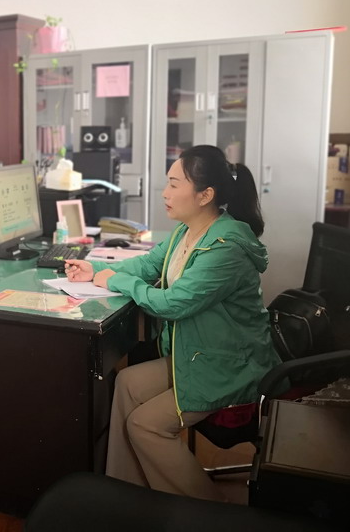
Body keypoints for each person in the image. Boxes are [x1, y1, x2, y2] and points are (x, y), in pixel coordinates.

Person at [65, 144, 280, 501]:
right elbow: (147, 265)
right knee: (127, 383)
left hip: (231, 366)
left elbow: (174, 303)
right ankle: (127, 496)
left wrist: (116, 282)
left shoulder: (225, 246)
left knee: (145, 426)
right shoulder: (186, 231)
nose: (165, 192)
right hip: (198, 354)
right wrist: (96, 270)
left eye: (174, 184)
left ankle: (206, 512)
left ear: (205, 195)